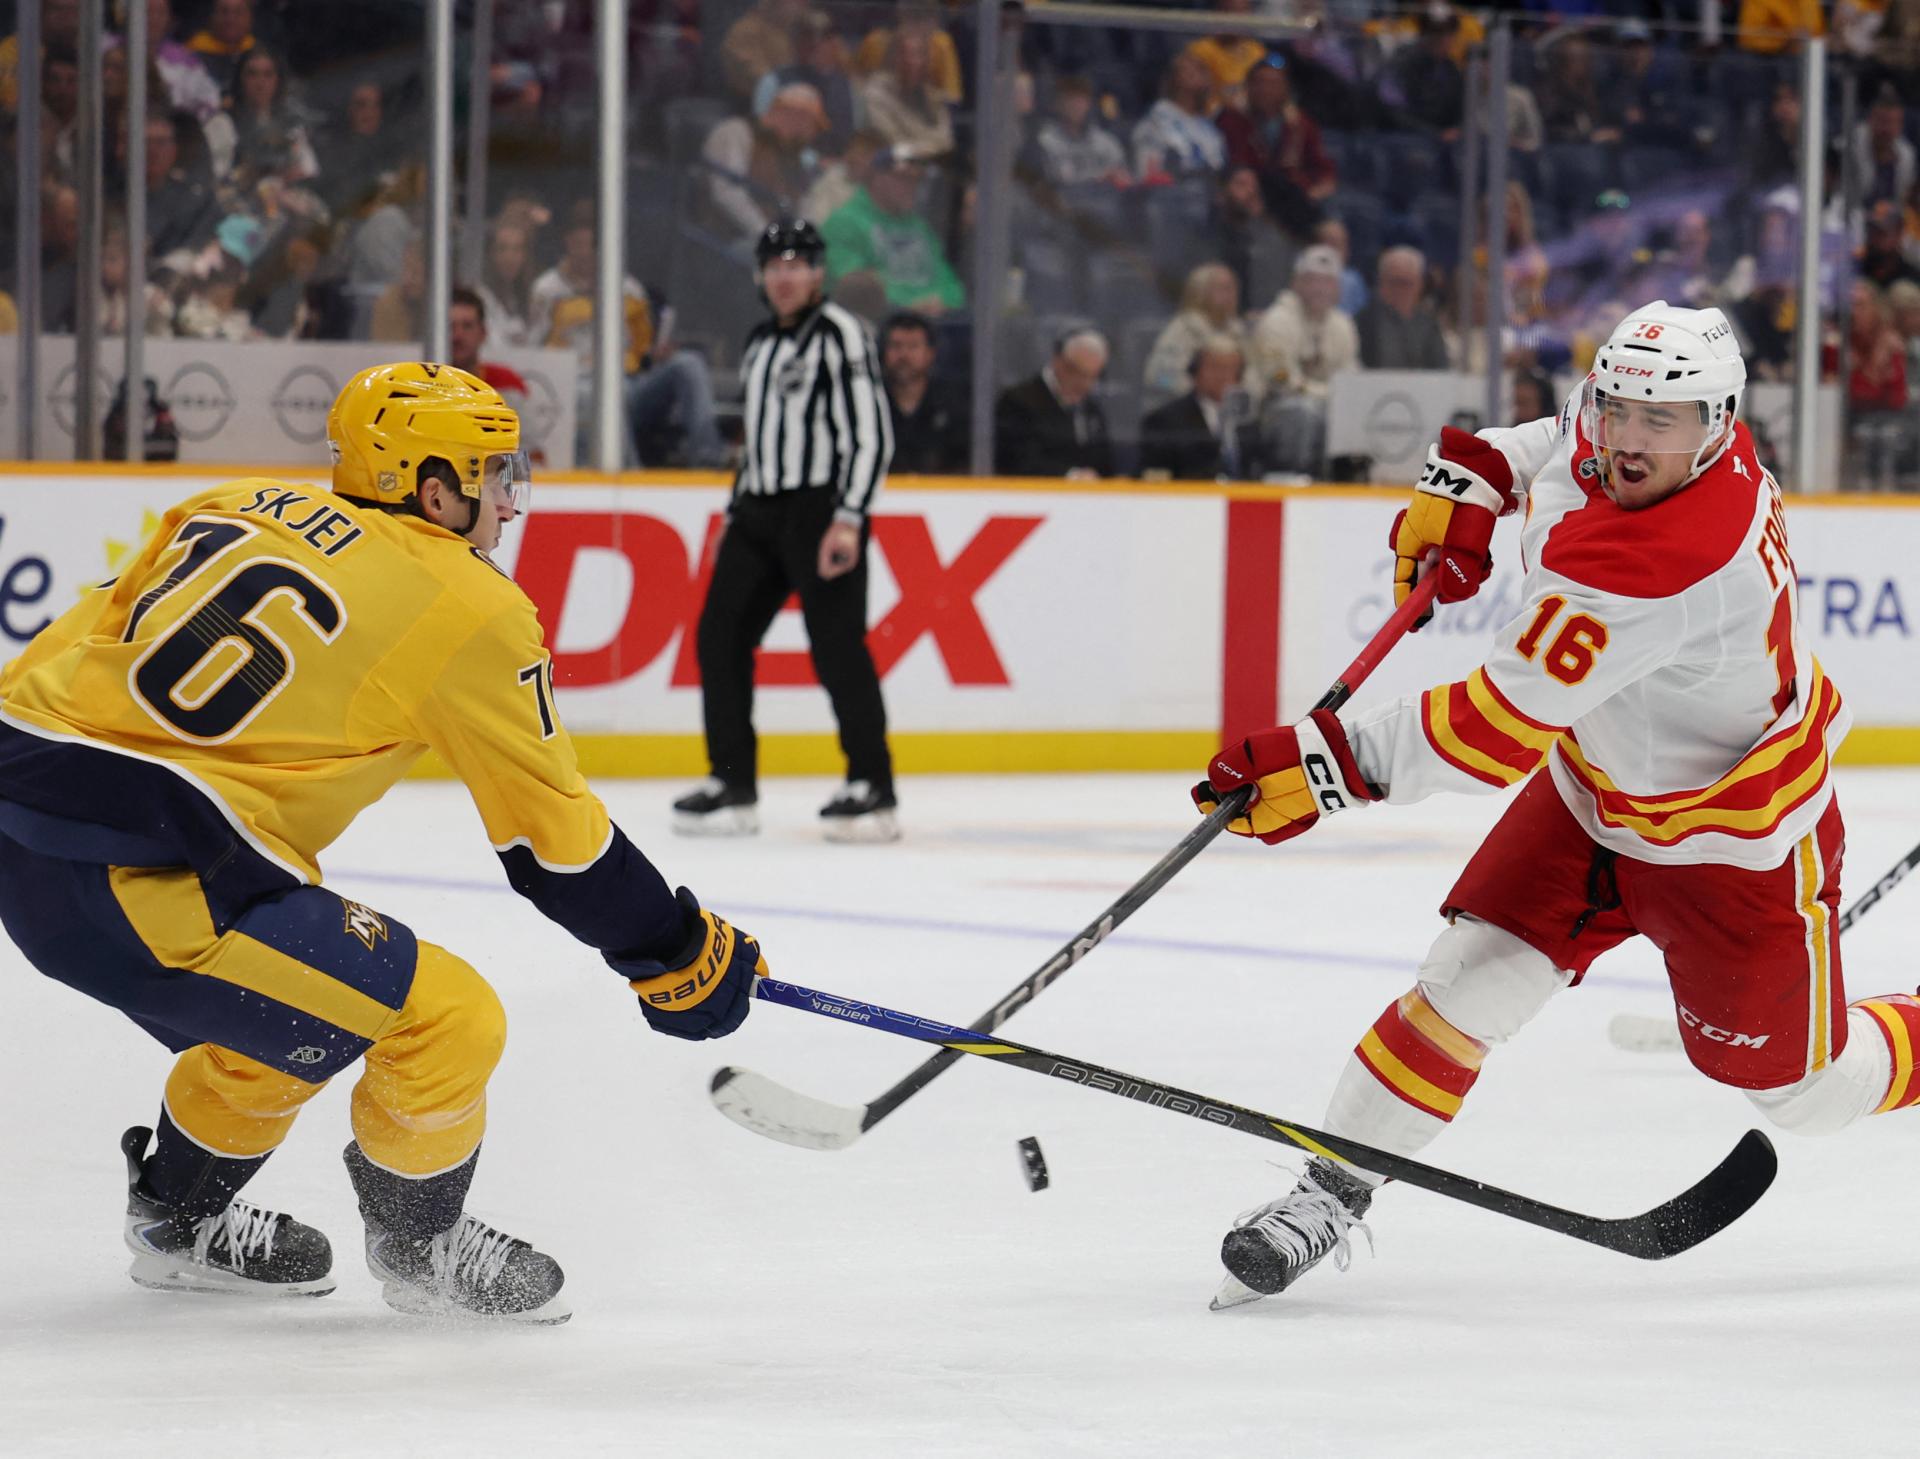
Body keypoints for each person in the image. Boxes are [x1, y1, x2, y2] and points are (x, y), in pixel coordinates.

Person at [0, 362, 769, 1321]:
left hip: (35, 831)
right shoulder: (467, 604)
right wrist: (676, 947)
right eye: (492, 476)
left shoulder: (235, 500)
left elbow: (64, 655)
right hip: (145, 879)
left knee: (304, 999)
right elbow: (555, 846)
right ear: (433, 488)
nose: (508, 501)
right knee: (449, 1017)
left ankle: (175, 1218)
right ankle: (421, 1247)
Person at [1191, 301, 1917, 1313]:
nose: (1624, 438)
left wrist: (1325, 761)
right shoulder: (1657, 429)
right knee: (1462, 986)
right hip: (1593, 794)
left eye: (1657, 422)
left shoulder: (1673, 562)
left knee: (1808, 1092)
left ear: (1716, 424)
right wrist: (1484, 472)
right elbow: (1559, 433)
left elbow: (1490, 728)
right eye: (1619, 407)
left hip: (1731, 844)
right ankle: (1329, 1187)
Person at [674, 220, 898, 842]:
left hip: (821, 510)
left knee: (836, 647)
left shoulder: (840, 335)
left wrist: (850, 518)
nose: (785, 275)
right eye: (774, 264)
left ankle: (874, 787)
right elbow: (755, 442)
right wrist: (732, 512)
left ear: (818, 272)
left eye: (798, 263)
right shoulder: (759, 343)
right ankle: (732, 784)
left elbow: (871, 433)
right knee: (719, 637)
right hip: (758, 513)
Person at [820, 147, 965, 315]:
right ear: (877, 178)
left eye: (916, 180)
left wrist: (944, 301)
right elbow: (855, 289)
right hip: (874, 326)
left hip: (928, 325)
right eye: (902, 179)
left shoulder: (918, 226)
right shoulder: (844, 222)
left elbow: (950, 284)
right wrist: (909, 307)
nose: (912, 187)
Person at [1214, 56, 1335, 240]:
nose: (1266, 89)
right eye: (1260, 82)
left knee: (1333, 233)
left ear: (1285, 87)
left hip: (1292, 197)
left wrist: (1315, 190)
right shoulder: (1232, 119)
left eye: (1273, 83)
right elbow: (1233, 163)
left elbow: (1321, 168)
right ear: (1249, 86)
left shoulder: (1300, 123)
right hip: (1251, 192)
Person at [994, 327, 1114, 478]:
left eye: (1093, 376)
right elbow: (1017, 461)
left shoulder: (1091, 409)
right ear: (1059, 363)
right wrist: (1072, 476)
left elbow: (1104, 462)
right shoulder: (1018, 401)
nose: (1086, 384)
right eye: (1078, 373)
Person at [1140, 334, 1258, 480]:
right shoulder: (1165, 420)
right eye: (1215, 367)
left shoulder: (1247, 420)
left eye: (1229, 369)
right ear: (1195, 371)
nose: (1222, 376)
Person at [1143, 261, 1256, 407]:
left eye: (1233, 287)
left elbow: (1254, 374)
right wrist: (1199, 393)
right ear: (1200, 292)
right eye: (1223, 288)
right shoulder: (1183, 329)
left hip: (1234, 410)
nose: (1231, 294)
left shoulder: (1238, 331)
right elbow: (1158, 377)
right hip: (1185, 415)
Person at [880, 311, 968, 473]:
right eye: (896, 346)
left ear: (930, 354)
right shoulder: (872, 403)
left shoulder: (953, 405)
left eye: (913, 346)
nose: (904, 355)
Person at [1355, 246, 1450, 371]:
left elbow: (1440, 371)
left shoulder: (1429, 325)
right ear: (1381, 282)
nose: (1400, 289)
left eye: (1407, 283)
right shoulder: (1362, 322)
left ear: (1420, 285)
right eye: (1394, 282)